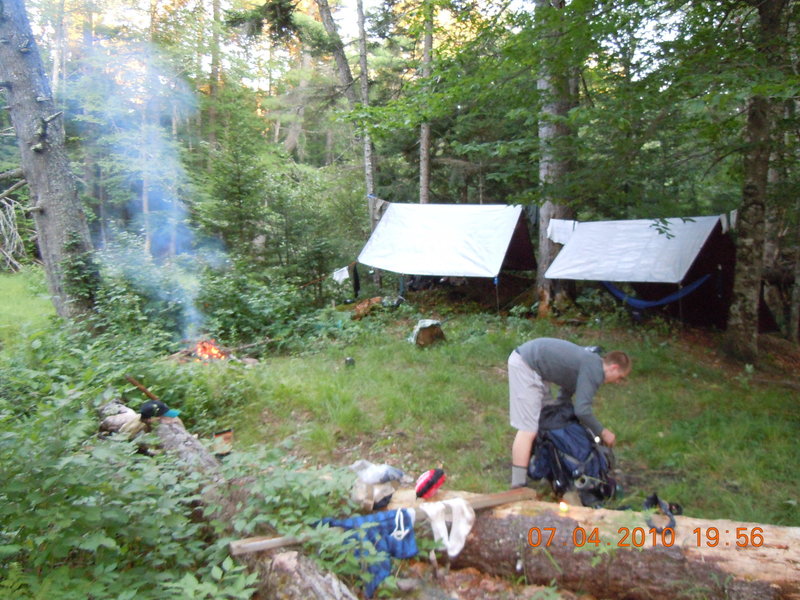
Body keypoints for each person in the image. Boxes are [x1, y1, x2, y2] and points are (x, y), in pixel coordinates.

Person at [508, 338, 631, 488]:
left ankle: (541, 465)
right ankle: (518, 485)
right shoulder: (595, 371)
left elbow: (568, 384)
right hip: (526, 364)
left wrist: (561, 406)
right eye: (620, 377)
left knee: (545, 419)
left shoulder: (592, 363)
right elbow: (582, 410)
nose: (618, 382)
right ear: (614, 367)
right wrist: (602, 431)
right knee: (528, 429)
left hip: (538, 367)